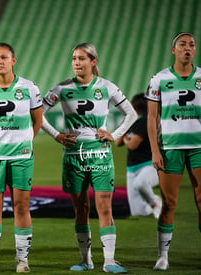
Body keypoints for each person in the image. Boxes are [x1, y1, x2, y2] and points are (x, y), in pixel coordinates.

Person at [41, 43, 137, 273]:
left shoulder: (106, 87)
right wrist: (56, 135)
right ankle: (86, 260)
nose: (76, 63)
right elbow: (38, 114)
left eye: (81, 58)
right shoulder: (62, 88)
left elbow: (131, 114)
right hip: (73, 156)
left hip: (100, 155)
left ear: (93, 61)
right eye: (73, 58)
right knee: (80, 208)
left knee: (104, 207)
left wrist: (113, 135)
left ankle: (110, 261)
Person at [146, 32, 201, 271]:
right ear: (173, 50)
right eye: (183, 44)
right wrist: (155, 150)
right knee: (169, 203)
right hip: (170, 147)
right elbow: (152, 117)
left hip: (200, 147)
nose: (188, 48)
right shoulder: (159, 79)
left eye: (192, 45)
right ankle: (163, 256)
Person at [0, 42, 43, 273]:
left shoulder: (29, 88)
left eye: (4, 57)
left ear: (14, 60)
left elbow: (38, 121)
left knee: (21, 205)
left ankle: (22, 260)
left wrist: (22, 142)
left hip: (22, 156)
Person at [115, 93, 161, 219]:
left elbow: (132, 145)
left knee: (140, 184)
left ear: (134, 107)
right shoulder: (134, 122)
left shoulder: (144, 121)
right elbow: (118, 142)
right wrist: (126, 130)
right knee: (138, 212)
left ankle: (155, 204)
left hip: (149, 165)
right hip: (132, 168)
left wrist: (126, 136)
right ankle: (154, 199)